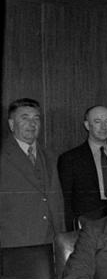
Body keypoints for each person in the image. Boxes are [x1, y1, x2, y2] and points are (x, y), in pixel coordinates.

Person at [0, 98, 65, 249]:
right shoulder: (3, 155)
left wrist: (61, 237)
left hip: (51, 242)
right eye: (25, 118)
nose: (32, 123)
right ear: (11, 124)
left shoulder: (51, 156)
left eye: (36, 118)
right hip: (13, 244)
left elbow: (57, 201)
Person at [57, 105, 107, 229]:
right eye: (97, 121)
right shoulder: (70, 158)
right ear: (87, 125)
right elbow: (65, 200)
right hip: (88, 223)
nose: (103, 127)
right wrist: (70, 229)